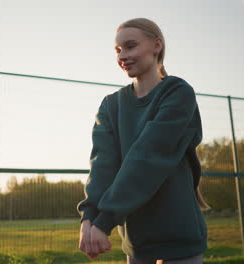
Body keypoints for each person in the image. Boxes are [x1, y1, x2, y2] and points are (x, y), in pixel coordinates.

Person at [77, 18, 210, 264]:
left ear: (156, 45)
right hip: (137, 241)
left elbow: (148, 156)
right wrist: (89, 217)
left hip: (179, 234)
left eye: (130, 46)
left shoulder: (178, 92)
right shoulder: (111, 105)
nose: (122, 56)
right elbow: (102, 166)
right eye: (118, 51)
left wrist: (104, 221)